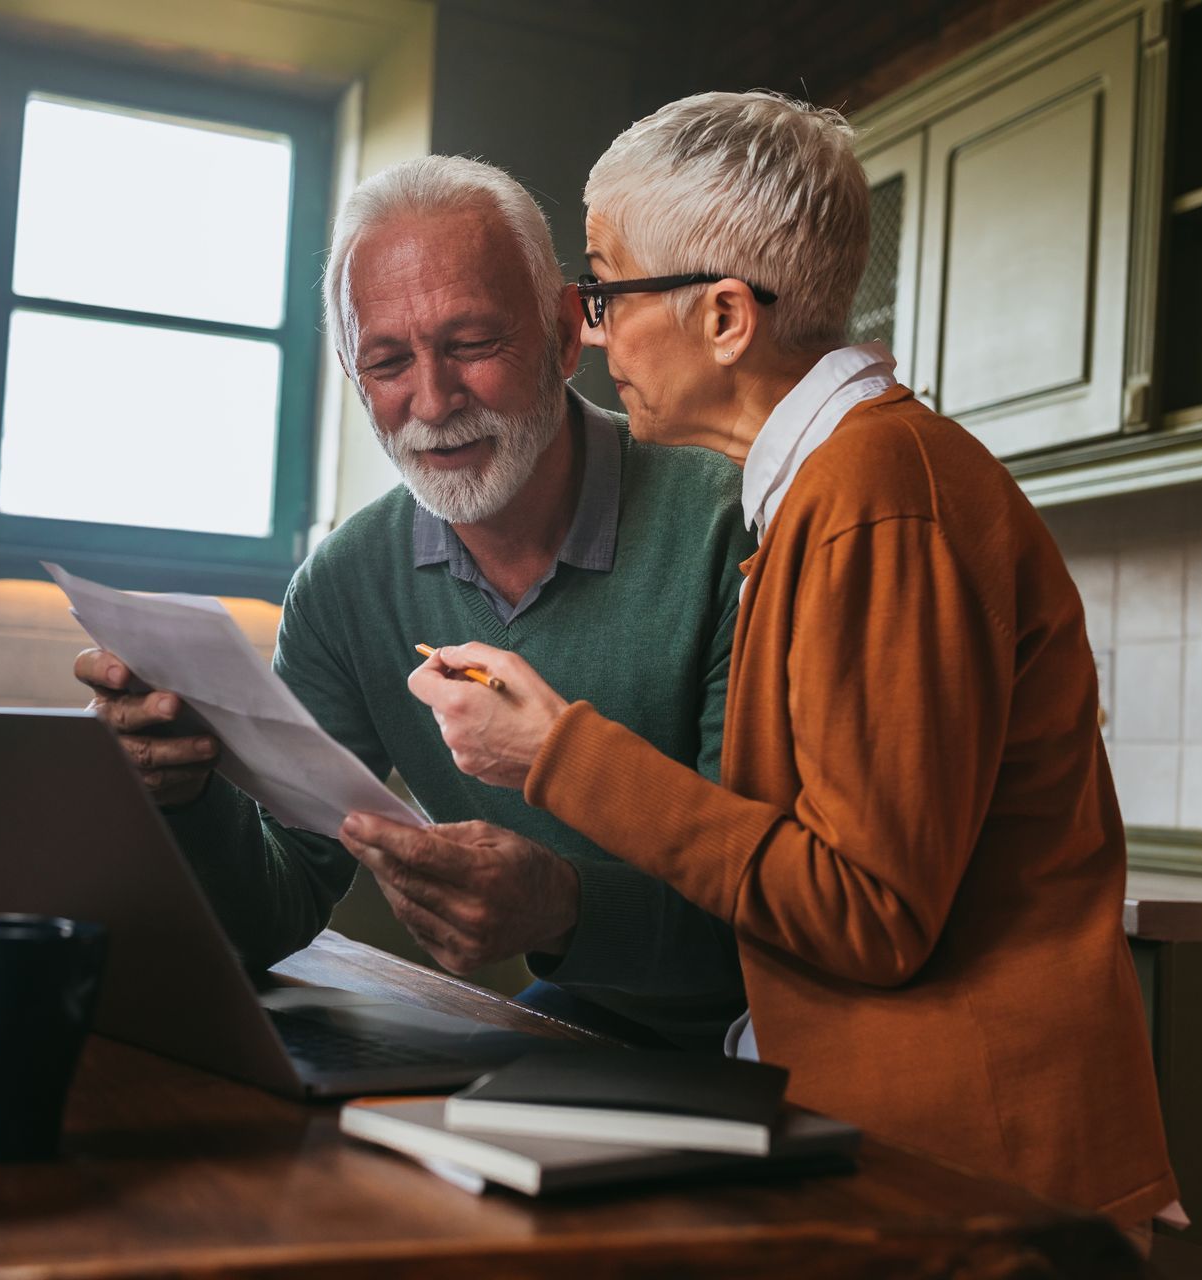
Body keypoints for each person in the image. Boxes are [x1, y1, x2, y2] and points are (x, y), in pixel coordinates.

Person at [399, 94, 1181, 1226]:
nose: (600, 330)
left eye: (610, 288)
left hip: (973, 1190)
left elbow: (867, 911)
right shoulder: (829, 490)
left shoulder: (878, 495)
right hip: (902, 1150)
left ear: (724, 316)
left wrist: (557, 753)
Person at [75, 156, 755, 1049]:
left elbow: (772, 906)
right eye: (388, 361)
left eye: (472, 344)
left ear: (561, 334)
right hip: (594, 1018)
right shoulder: (344, 585)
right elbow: (271, 909)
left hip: (791, 1029)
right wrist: (184, 792)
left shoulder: (729, 529)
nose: (431, 403)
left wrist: (561, 907)